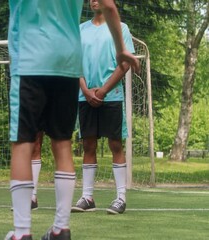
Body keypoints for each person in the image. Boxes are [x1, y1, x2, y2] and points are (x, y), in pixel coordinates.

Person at [0, 1, 139, 239]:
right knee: (62, 144)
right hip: (67, 63)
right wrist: (121, 48)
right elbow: (110, 6)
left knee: (23, 144)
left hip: (30, 60)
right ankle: (61, 228)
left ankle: (22, 232)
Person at [71, 0, 135, 215]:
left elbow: (124, 64)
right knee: (88, 146)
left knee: (115, 145)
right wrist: (87, 91)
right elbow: (74, 63)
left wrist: (104, 90)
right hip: (84, 96)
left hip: (112, 96)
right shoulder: (80, 30)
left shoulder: (121, 28)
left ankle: (120, 198)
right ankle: (87, 197)